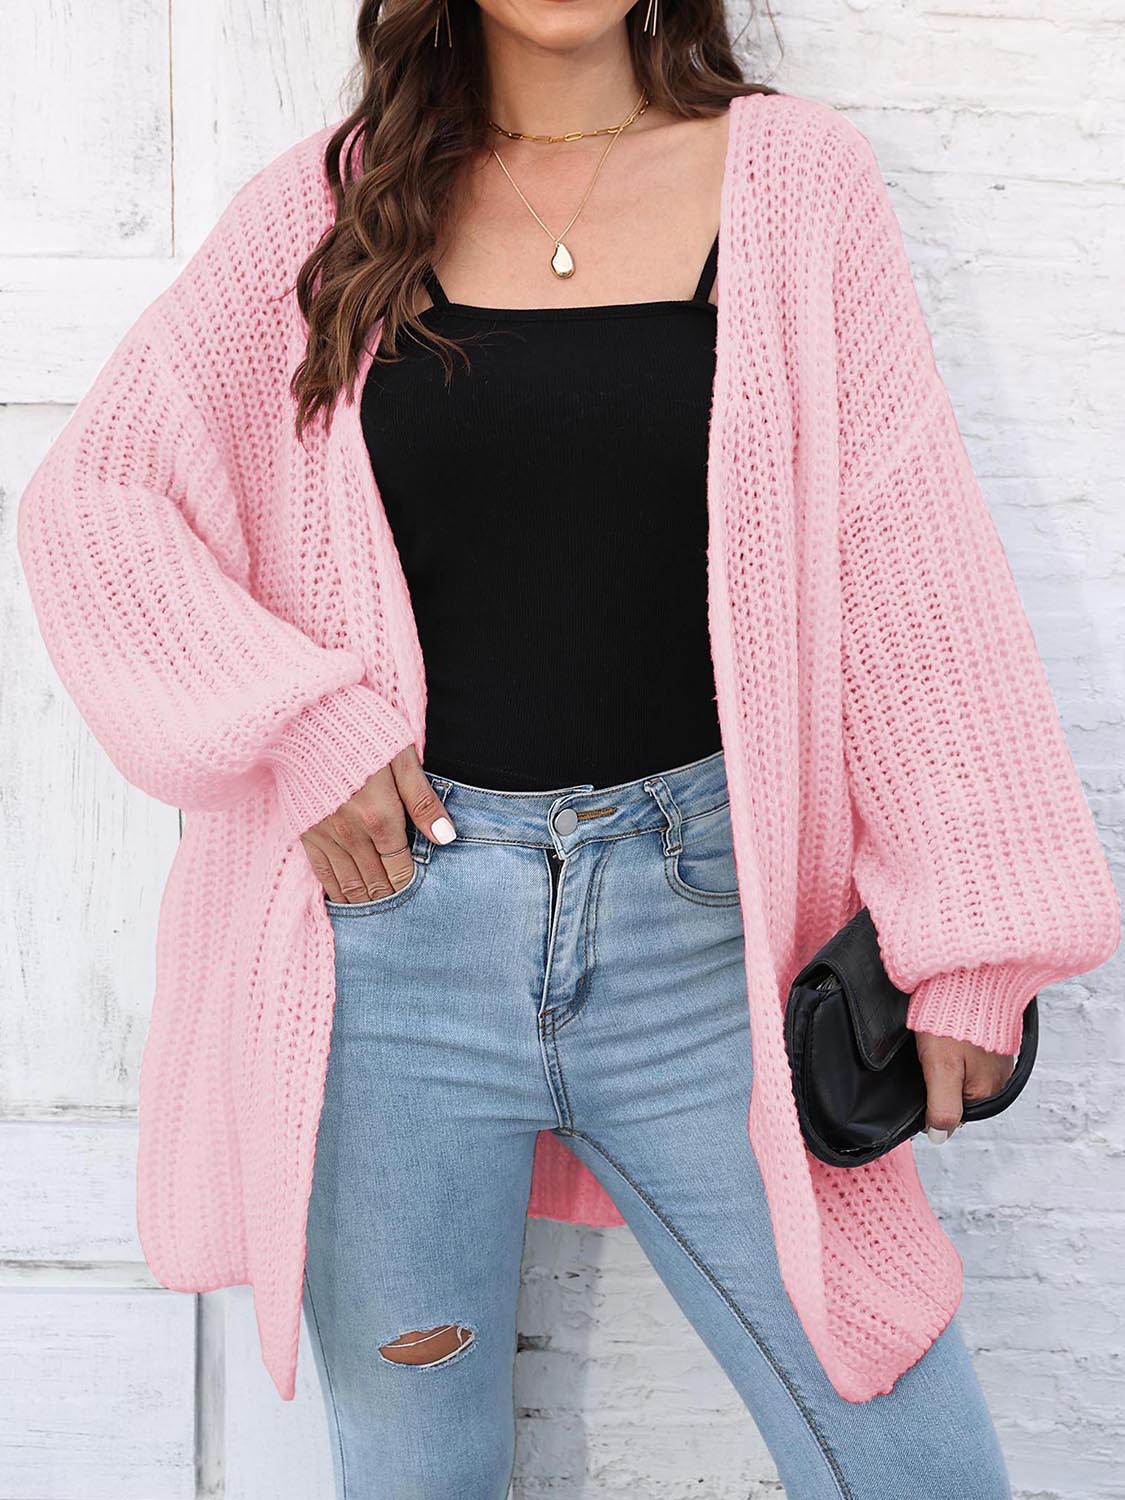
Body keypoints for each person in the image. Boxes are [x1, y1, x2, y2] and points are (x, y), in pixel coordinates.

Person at [17, 0, 1119, 1496]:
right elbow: (98, 504)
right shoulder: (330, 208)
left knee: (913, 1465)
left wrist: (975, 944)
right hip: (396, 960)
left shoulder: (796, 185)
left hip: (710, 951)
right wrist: (302, 728)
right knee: (418, 1475)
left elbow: (905, 568)